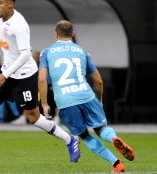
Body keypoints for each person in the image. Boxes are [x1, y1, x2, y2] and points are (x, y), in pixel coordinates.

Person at [0, 0, 80, 162]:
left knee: (33, 117)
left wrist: (5, 74)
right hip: (8, 71)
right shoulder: (1, 19)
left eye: (0, 3)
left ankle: (70, 140)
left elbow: (26, 55)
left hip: (24, 76)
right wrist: (5, 72)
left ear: (10, 4)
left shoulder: (19, 25)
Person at [38, 20, 135, 173]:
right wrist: (99, 100)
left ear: (55, 34)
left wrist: (44, 104)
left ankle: (116, 163)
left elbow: (42, 79)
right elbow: (98, 81)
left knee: (84, 135)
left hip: (65, 101)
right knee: (101, 128)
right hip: (86, 95)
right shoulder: (82, 51)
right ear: (73, 34)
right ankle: (113, 138)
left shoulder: (46, 52)